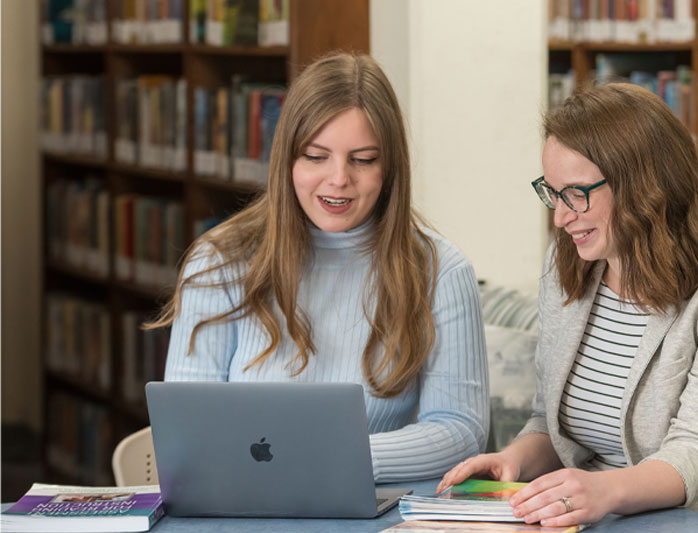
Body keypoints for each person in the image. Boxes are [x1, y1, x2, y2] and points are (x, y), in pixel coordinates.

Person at [438, 83, 698, 531]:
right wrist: (511, 461)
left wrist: (604, 490)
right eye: (552, 193)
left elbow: (697, 453)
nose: (560, 216)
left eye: (575, 193)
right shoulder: (568, 263)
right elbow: (552, 424)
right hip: (602, 516)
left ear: (642, 187)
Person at [151, 52, 489, 483]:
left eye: (363, 159)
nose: (338, 179)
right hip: (242, 507)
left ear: (390, 168)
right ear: (287, 160)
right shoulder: (219, 260)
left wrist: (332, 457)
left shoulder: (441, 271)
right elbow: (185, 427)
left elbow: (460, 432)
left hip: (369, 510)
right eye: (315, 156)